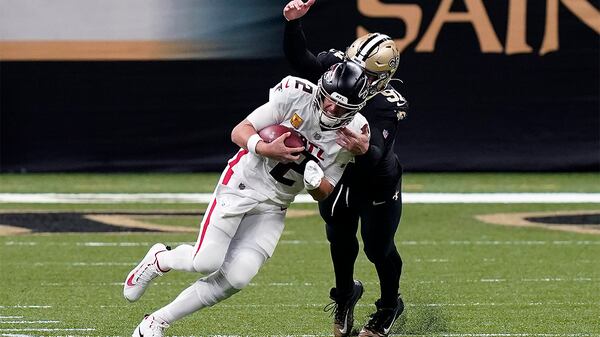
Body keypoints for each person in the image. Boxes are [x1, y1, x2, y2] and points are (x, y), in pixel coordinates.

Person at [123, 61, 371, 336]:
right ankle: (160, 259)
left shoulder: (353, 134)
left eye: (341, 107)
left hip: (275, 204)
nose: (330, 108)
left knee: (237, 277)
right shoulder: (294, 95)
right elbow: (240, 131)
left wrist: (314, 182)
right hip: (242, 183)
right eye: (327, 99)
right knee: (206, 261)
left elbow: (324, 192)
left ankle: (156, 322)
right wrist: (265, 148)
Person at [283, 1, 410, 336]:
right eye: (354, 67)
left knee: (377, 247)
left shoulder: (386, 105)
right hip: (335, 173)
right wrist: (293, 25)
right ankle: (345, 295)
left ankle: (388, 306)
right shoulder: (339, 68)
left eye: (366, 75)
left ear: (382, 78)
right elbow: (302, 62)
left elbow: (379, 157)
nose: (354, 77)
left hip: (375, 181)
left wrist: (364, 149)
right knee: (338, 239)